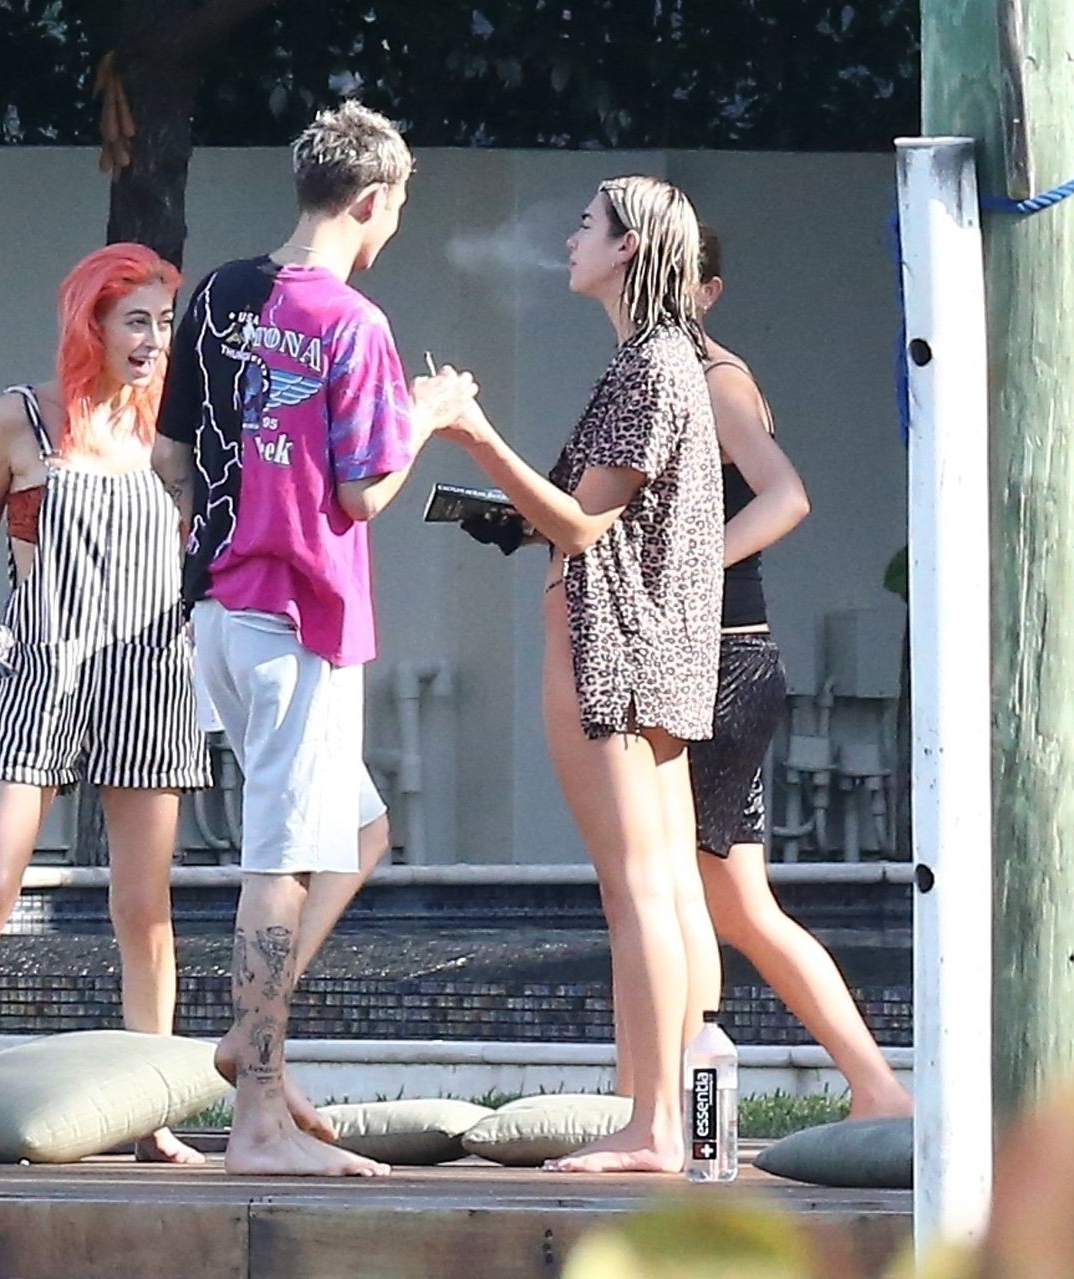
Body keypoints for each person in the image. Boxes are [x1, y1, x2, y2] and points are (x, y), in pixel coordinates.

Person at [152, 100, 470, 1177]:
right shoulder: (354, 323)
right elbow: (366, 490)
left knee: (360, 831)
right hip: (299, 620)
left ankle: (249, 1040)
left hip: (219, 614)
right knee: (282, 862)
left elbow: (171, 455)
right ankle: (257, 1124)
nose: (395, 225)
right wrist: (431, 415)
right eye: (399, 207)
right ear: (372, 199)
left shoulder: (217, 293)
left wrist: (224, 529)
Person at [434, 176, 723, 1173]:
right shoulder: (667, 360)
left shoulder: (650, 366)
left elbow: (585, 523)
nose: (569, 239)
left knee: (636, 892)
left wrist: (473, 433)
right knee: (663, 886)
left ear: (629, 247)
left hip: (615, 650)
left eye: (587, 226)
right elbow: (589, 510)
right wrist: (510, 510)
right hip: (656, 652)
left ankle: (654, 1124)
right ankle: (661, 1112)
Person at [0, 243, 211, 1164]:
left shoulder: (171, 439)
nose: (154, 339)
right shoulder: (23, 419)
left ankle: (151, 1111)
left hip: (150, 674)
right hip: (42, 669)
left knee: (144, 906)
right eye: (137, 320)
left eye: (164, 322)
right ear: (94, 323)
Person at [688, 226, 912, 1120]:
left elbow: (787, 495)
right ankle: (876, 1087)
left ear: (707, 290)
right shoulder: (670, 375)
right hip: (720, 659)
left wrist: (686, 569)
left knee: (683, 894)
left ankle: (667, 1104)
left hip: (720, 659)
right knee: (736, 905)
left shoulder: (715, 380)